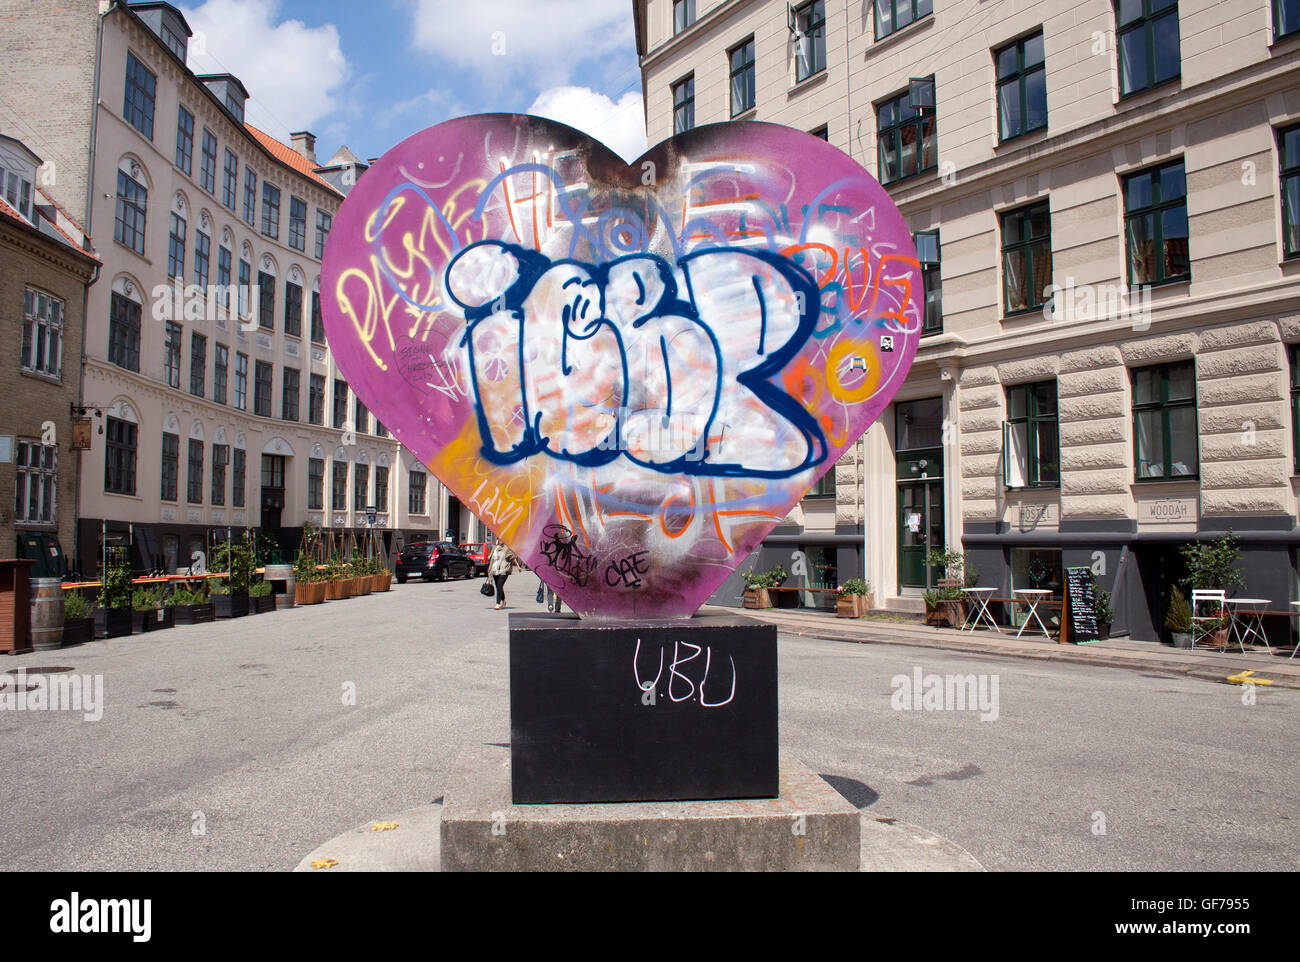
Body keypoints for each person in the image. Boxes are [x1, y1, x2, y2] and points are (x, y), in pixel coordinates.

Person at [487, 541, 518, 610]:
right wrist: (489, 571)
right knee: (498, 587)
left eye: (501, 539)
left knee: (500, 585)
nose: (500, 540)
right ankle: (503, 601)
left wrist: (509, 555)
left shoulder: (507, 548)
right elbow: (491, 559)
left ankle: (498, 603)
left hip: (504, 570)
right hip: (495, 570)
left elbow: (513, 557)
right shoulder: (495, 548)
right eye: (498, 538)